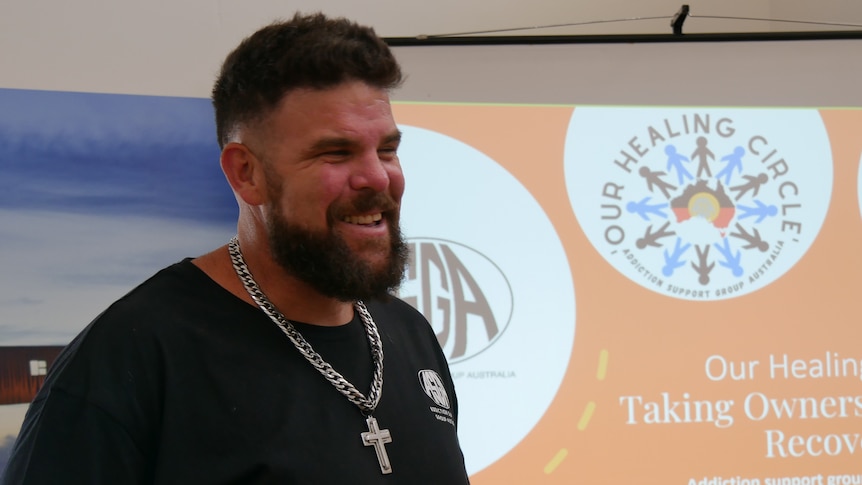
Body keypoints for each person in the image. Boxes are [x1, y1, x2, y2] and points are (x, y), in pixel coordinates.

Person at [1, 12, 470, 484]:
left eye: (387, 149)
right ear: (246, 173)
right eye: (336, 153)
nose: (377, 177)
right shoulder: (131, 359)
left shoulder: (409, 334)